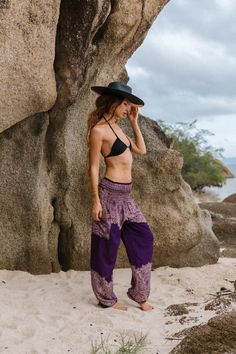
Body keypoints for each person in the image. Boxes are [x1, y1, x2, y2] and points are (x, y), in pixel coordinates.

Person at [87, 81, 154, 311]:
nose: (128, 108)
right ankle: (106, 298)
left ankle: (139, 293)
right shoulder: (99, 130)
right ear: (113, 102)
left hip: (127, 196)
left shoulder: (119, 128)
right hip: (109, 195)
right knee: (106, 247)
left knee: (144, 237)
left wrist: (135, 123)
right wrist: (96, 200)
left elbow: (141, 150)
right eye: (125, 104)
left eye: (128, 104)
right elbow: (94, 167)